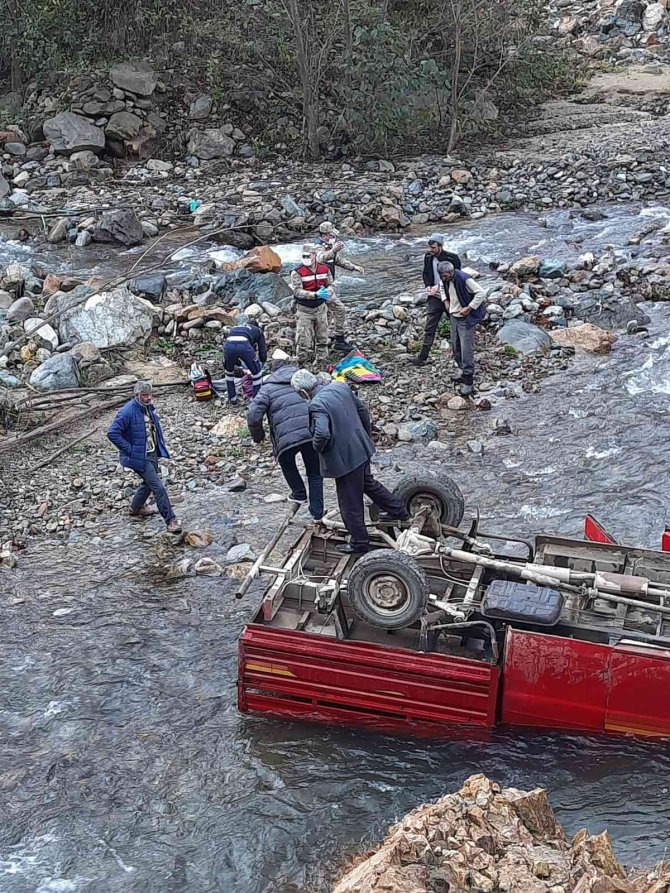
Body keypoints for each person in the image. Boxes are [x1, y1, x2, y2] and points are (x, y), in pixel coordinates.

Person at [291, 370, 408, 555]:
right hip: (361, 446)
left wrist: (318, 449)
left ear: (303, 392)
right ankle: (399, 511)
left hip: (344, 459)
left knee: (349, 502)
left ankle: (359, 543)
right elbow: (362, 410)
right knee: (368, 484)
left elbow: (322, 433)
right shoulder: (340, 387)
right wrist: (364, 435)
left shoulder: (316, 405)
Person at [247, 359, 324, 522]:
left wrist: (258, 437)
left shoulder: (267, 388)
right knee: (314, 473)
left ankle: (299, 493)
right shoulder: (304, 380)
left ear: (274, 372)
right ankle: (317, 513)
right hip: (311, 432)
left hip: (285, 438)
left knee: (287, 462)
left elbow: (253, 415)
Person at [107, 380, 181, 533]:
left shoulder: (147, 407)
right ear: (137, 395)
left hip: (151, 452)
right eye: (145, 395)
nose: (149, 398)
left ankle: (136, 508)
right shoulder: (127, 411)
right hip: (139, 456)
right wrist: (130, 450)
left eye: (150, 394)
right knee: (158, 487)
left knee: (148, 483)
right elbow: (112, 433)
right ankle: (171, 520)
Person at [409, 233, 462, 367]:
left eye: (433, 248)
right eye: (430, 247)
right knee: (430, 326)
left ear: (440, 246)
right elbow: (425, 273)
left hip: (450, 296)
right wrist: (428, 286)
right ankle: (423, 357)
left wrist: (438, 287)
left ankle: (461, 356)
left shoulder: (452, 258)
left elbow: (457, 277)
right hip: (434, 297)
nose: (431, 250)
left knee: (456, 326)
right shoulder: (428, 257)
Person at [437, 261, 487, 396]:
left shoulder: (464, 279)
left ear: (451, 272)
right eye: (442, 276)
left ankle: (469, 381)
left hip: (466, 318)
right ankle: (462, 371)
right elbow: (441, 286)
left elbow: (481, 293)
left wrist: (469, 308)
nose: (443, 278)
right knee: (456, 346)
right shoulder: (444, 279)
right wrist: (445, 301)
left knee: (466, 350)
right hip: (454, 316)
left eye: (445, 276)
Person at [316, 221, 365, 353]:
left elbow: (338, 260)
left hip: (327, 286)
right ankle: (338, 340)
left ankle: (322, 339)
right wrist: (334, 250)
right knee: (339, 309)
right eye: (332, 235)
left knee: (327, 313)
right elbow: (320, 259)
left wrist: (353, 267)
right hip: (319, 288)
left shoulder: (329, 246)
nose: (334, 237)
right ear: (324, 236)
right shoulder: (317, 247)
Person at [290, 244, 334, 368]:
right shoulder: (297, 272)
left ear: (314, 255)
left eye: (308, 256)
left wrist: (329, 292)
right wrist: (314, 294)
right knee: (303, 339)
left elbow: (331, 284)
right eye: (303, 256)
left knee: (322, 337)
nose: (306, 258)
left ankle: (321, 361)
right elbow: (297, 291)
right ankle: (301, 362)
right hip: (304, 310)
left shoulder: (324, 269)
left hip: (321, 308)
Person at [223, 319, 267, 404]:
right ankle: (255, 400)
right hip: (244, 345)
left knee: (228, 372)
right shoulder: (258, 331)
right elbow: (262, 350)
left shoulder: (235, 328)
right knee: (257, 373)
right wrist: (262, 362)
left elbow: (231, 346)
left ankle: (232, 398)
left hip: (228, 344)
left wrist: (236, 363)